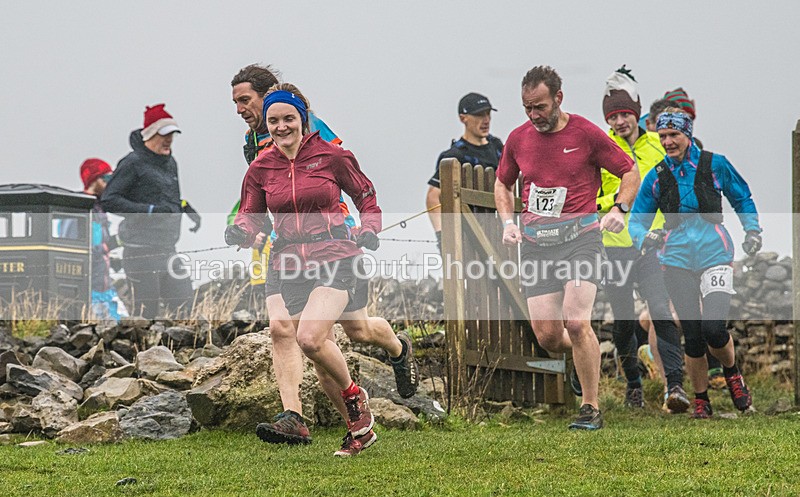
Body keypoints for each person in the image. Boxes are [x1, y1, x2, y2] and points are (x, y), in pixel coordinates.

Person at [228, 66, 418, 449]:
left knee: (314, 337)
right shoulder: (260, 166)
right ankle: (357, 427)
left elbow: (365, 195)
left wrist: (370, 227)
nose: (281, 127)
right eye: (274, 121)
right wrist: (241, 230)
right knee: (339, 337)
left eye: (288, 118)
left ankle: (365, 386)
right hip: (289, 261)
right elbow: (251, 212)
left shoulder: (331, 156)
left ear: (303, 119)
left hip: (336, 253)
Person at [494, 66, 640, 430]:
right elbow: (502, 183)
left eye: (540, 107)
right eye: (527, 108)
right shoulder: (518, 139)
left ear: (558, 98)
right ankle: (580, 357)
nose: (534, 115)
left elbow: (629, 171)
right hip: (537, 246)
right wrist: (508, 223)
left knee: (576, 321)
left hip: (581, 241)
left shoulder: (586, 133)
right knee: (547, 336)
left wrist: (619, 209)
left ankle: (590, 407)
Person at [629, 110, 761, 418]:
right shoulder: (657, 176)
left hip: (715, 254)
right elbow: (636, 220)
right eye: (663, 136)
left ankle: (733, 374)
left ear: (687, 135)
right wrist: (644, 238)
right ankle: (701, 399)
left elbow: (742, 197)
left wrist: (752, 230)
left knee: (713, 327)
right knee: (692, 333)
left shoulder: (715, 164)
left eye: (674, 135)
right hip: (675, 260)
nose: (668, 141)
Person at [595, 66, 687, 411]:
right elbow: (592, 198)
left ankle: (674, 386)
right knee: (623, 322)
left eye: (625, 114)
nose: (620, 122)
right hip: (614, 247)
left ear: (636, 113)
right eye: (613, 116)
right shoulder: (601, 148)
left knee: (661, 310)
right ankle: (633, 384)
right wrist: (619, 202)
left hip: (652, 245)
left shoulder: (657, 146)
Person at [101, 104, 200, 319]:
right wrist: (148, 211)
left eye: (172, 134)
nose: (169, 139)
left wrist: (185, 208)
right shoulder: (132, 162)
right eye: (164, 134)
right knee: (147, 315)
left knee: (185, 310)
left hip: (168, 249)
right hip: (140, 252)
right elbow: (109, 200)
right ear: (149, 135)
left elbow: (165, 198)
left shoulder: (170, 162)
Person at [426, 93, 503, 251]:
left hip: (500, 233)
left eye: (488, 113)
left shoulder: (497, 147)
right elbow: (433, 197)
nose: (486, 120)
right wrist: (442, 235)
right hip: (469, 238)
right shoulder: (454, 156)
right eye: (479, 115)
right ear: (463, 118)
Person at [78, 158, 127, 321]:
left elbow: (100, 245)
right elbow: (80, 248)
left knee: (125, 326)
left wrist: (118, 244)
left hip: (104, 286)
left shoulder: (100, 208)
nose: (110, 184)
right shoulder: (78, 209)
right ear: (93, 180)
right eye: (106, 178)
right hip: (89, 289)